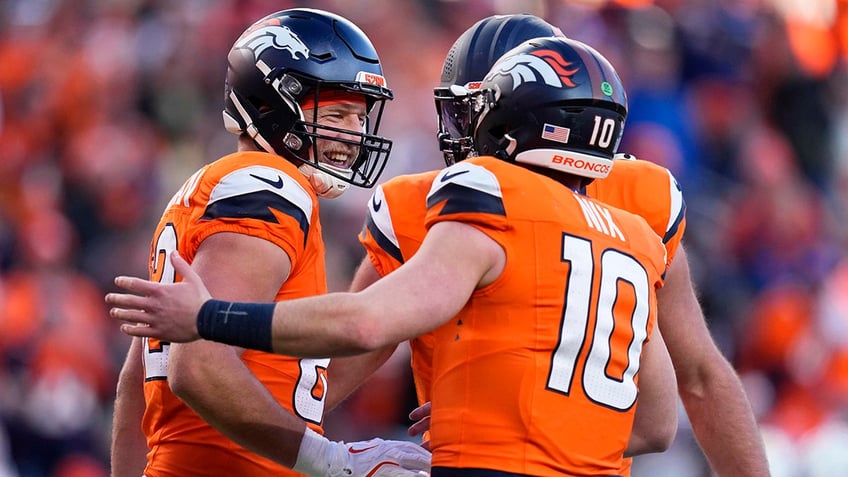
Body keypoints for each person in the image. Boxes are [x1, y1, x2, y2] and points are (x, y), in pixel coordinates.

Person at [108, 35, 678, 476]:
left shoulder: (494, 189)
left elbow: (368, 321)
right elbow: (656, 422)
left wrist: (207, 317)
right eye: (338, 115)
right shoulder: (638, 234)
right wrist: (505, 408)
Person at [338, 13, 769, 476]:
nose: (465, 129)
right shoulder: (636, 203)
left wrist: (493, 427)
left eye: (479, 110)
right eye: (460, 112)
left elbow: (695, 383)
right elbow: (337, 367)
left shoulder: (637, 198)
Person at [110, 8, 430, 477]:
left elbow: (137, 383)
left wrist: (403, 288)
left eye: (360, 118)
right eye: (338, 113)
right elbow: (197, 364)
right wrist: (334, 462)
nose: (354, 134)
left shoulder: (218, 187)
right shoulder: (270, 183)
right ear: (271, 105)